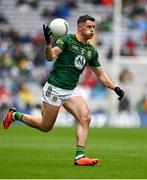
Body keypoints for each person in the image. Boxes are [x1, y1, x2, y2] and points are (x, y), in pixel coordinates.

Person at [2, 15, 124, 166]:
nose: (92, 30)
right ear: (80, 27)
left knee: (85, 118)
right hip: (55, 89)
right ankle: (14, 115)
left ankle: (80, 157)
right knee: (45, 126)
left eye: (93, 27)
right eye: (89, 27)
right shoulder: (67, 41)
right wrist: (47, 43)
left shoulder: (91, 51)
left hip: (71, 90)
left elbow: (101, 74)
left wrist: (115, 87)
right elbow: (50, 56)